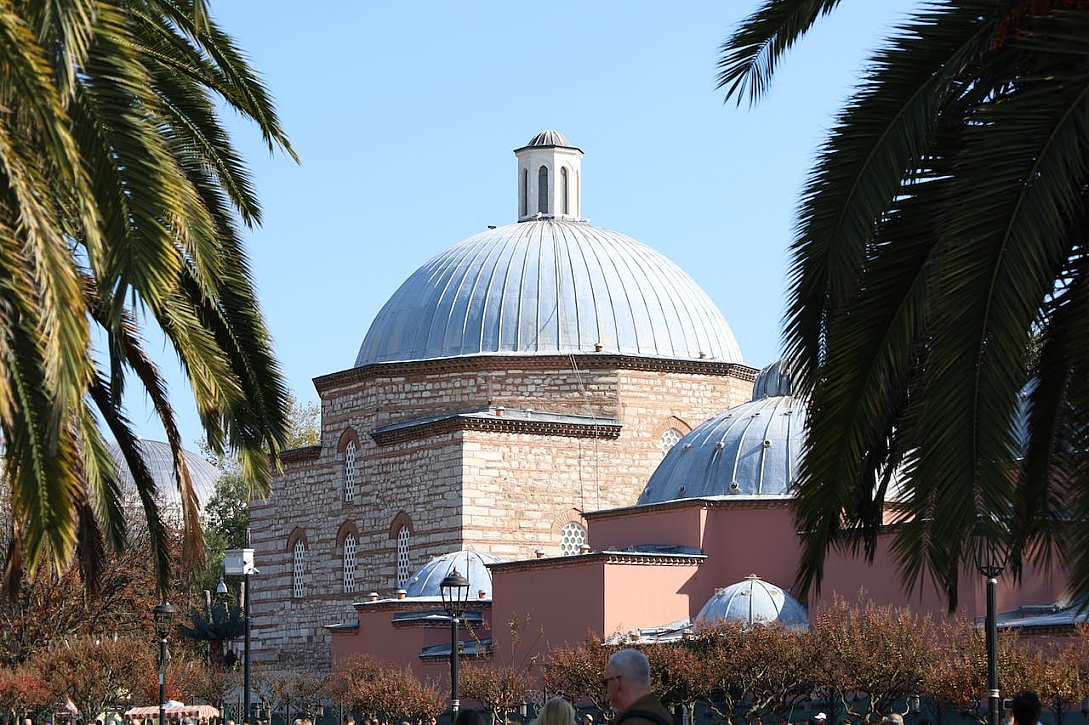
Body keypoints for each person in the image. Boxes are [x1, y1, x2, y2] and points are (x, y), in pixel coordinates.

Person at [604, 649, 673, 725]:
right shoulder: (663, 715)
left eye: (606, 683)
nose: (607, 693)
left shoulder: (634, 721)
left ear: (616, 683)